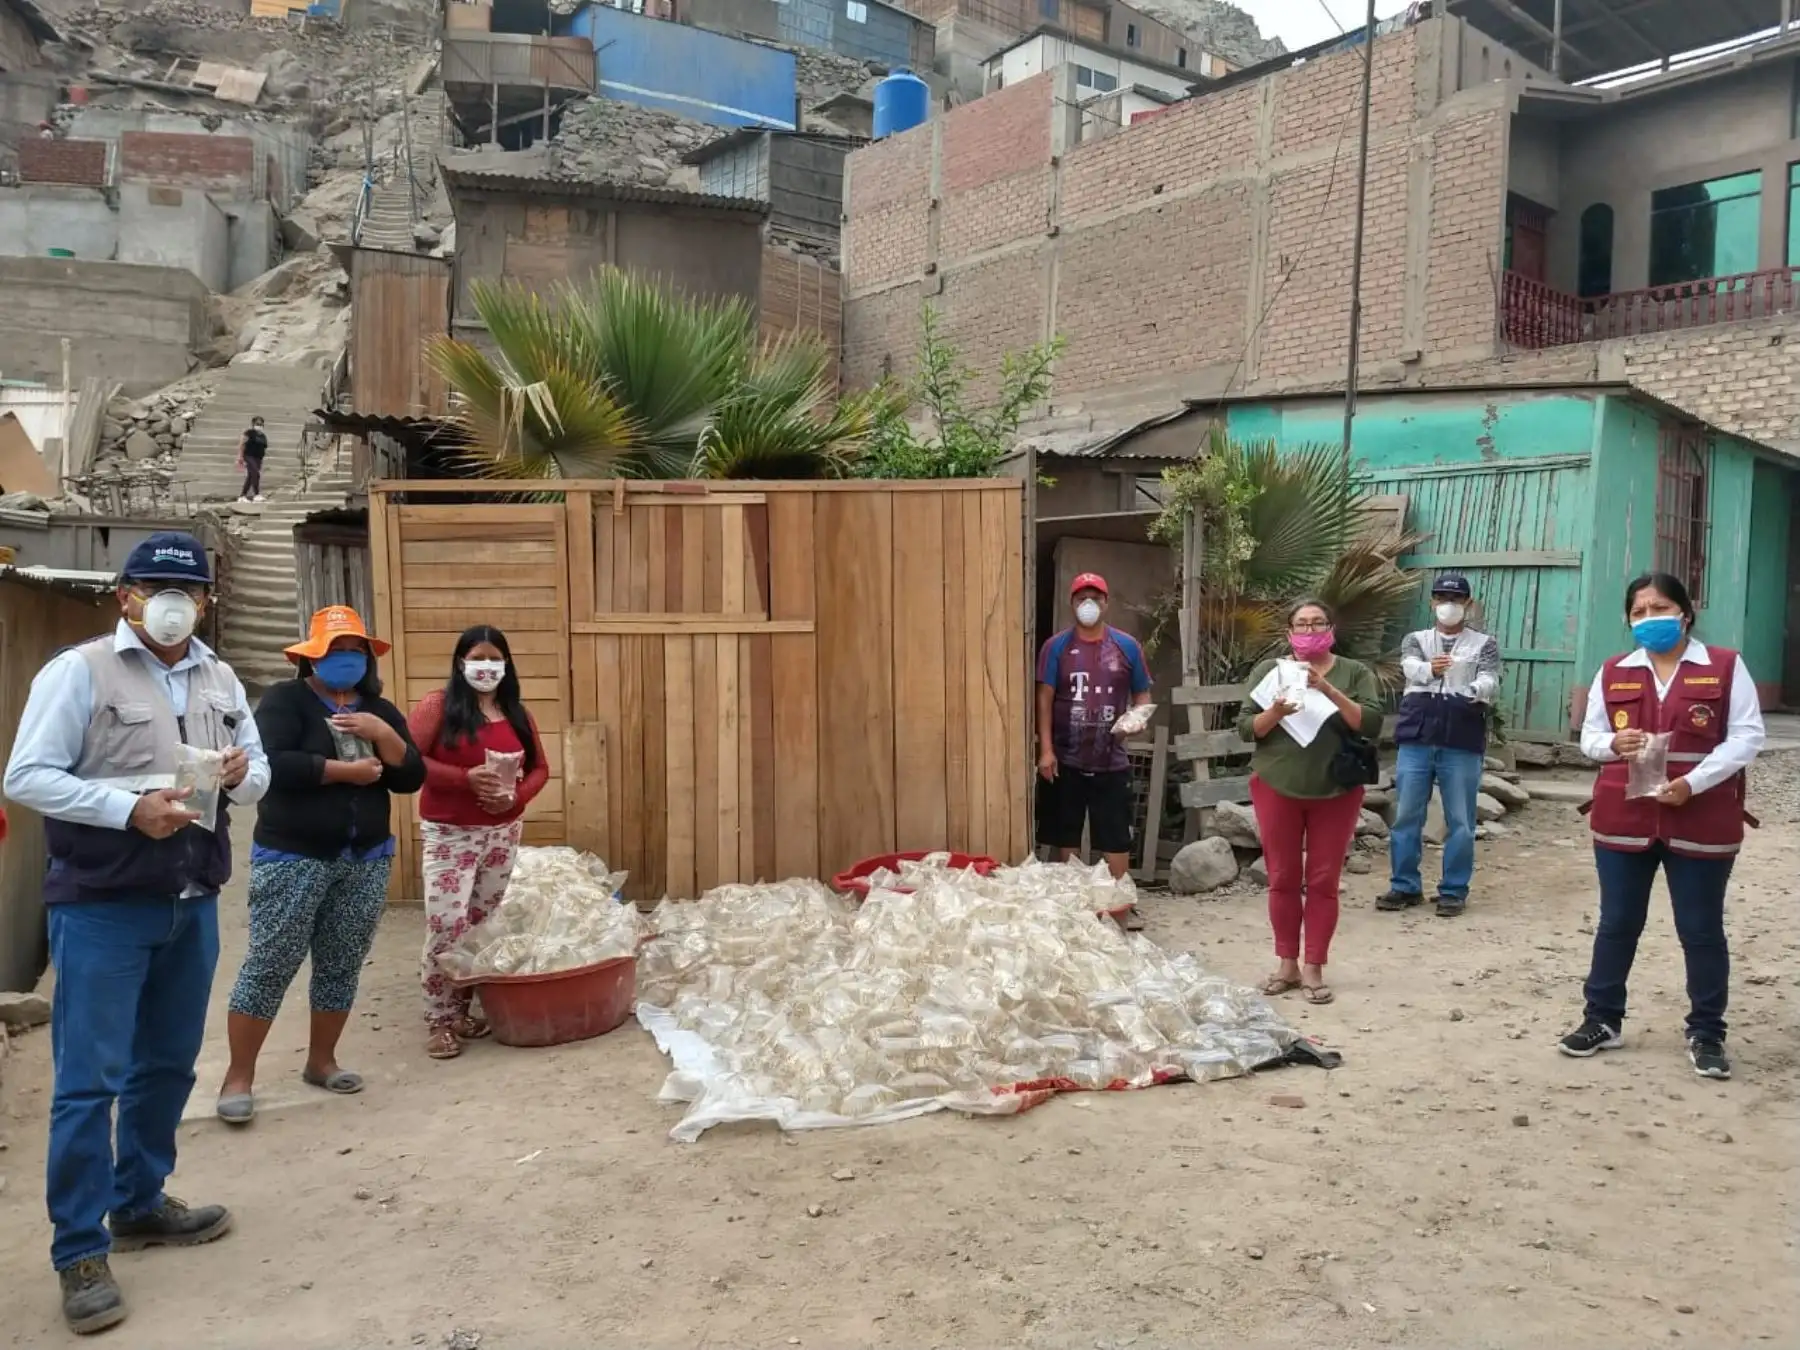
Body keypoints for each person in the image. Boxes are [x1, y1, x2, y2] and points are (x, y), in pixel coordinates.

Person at [1, 531, 269, 1335]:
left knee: (167, 1064)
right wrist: (128, 809)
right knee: (89, 1082)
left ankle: (140, 1202)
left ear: (207, 602)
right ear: (125, 596)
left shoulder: (221, 677)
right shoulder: (79, 672)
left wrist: (237, 775)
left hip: (191, 900)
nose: (172, 603)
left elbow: (257, 772)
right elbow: (26, 776)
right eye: (154, 588)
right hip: (102, 905)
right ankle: (79, 1251)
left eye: (188, 591)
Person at [215, 606, 425, 1124]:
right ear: (311, 657)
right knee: (270, 963)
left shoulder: (379, 709)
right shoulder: (285, 701)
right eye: (336, 650)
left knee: (340, 963)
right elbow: (272, 763)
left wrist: (383, 733)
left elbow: (410, 777)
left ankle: (322, 1061)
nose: (347, 659)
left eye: (356, 651)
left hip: (365, 858)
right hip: (294, 855)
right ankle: (238, 1077)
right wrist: (341, 772)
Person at [1559, 572, 1764, 1081]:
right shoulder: (1614, 671)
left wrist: (1693, 783)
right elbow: (1590, 737)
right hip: (1624, 818)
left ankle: (1707, 1032)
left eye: (1661, 608)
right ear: (1628, 620)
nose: (1649, 618)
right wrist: (1613, 745)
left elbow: (1746, 736)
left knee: (1700, 928)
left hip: (1701, 815)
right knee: (1616, 923)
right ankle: (1602, 1020)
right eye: (1639, 611)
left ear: (1685, 615)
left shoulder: (1725, 666)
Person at [408, 625, 550, 1060]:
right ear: (460, 663)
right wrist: (463, 779)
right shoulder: (437, 707)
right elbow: (409, 760)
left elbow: (541, 769)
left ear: (506, 664)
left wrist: (517, 797)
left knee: (480, 924)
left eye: (494, 658)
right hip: (450, 835)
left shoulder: (517, 714)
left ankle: (462, 1011)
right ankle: (438, 1019)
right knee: (446, 924)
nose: (486, 667)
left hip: (502, 834)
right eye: (477, 658)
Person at [1237, 599, 1383, 1006]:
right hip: (1276, 783)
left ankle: (1314, 966)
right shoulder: (1270, 672)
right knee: (1282, 877)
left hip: (1336, 789)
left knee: (1323, 880)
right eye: (1301, 624)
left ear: (1331, 629)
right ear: (1289, 633)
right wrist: (1276, 710)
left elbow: (1370, 723)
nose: (1310, 629)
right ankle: (1287, 963)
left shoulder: (1354, 672)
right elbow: (1246, 728)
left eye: (1318, 622)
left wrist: (1328, 690)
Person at [1379, 572, 1503, 918]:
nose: (1449, 605)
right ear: (1432, 602)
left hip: (1461, 736)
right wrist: (1431, 670)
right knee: (1407, 815)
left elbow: (1490, 678)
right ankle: (1404, 886)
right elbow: (1410, 668)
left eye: (1456, 599)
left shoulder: (1484, 643)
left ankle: (1453, 890)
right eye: (1442, 598)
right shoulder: (1416, 639)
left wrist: (1473, 690)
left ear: (1468, 603)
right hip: (1417, 736)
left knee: (1460, 819)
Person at [1035, 573, 1153, 927]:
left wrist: (1138, 718)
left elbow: (1142, 694)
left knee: (1115, 837)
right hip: (1066, 757)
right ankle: (1070, 905)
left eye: (1095, 598)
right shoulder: (1056, 647)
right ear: (1072, 603)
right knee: (1064, 834)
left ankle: (1120, 903)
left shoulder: (1126, 646)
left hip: (1111, 759)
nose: (1088, 604)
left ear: (1106, 603)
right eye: (1081, 598)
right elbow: (1044, 699)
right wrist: (1046, 750)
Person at [236, 416, 267, 503]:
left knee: (250, 477)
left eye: (261, 424)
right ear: (253, 424)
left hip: (258, 458)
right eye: (257, 424)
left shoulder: (263, 436)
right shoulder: (249, 433)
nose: (259, 426)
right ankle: (257, 494)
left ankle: (242, 496)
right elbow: (242, 443)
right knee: (256, 473)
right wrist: (240, 456)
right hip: (249, 456)